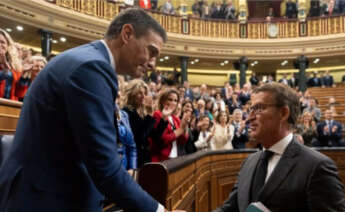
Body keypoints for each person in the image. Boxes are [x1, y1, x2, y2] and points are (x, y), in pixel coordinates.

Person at [0, 8, 184, 212]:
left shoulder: (90, 61)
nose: (153, 64)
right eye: (151, 52)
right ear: (127, 34)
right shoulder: (92, 68)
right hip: (45, 200)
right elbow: (105, 167)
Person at [213, 82, 345, 212]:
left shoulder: (318, 167)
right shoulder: (249, 162)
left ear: (283, 113)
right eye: (250, 110)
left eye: (258, 108)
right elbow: (231, 208)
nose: (249, 118)